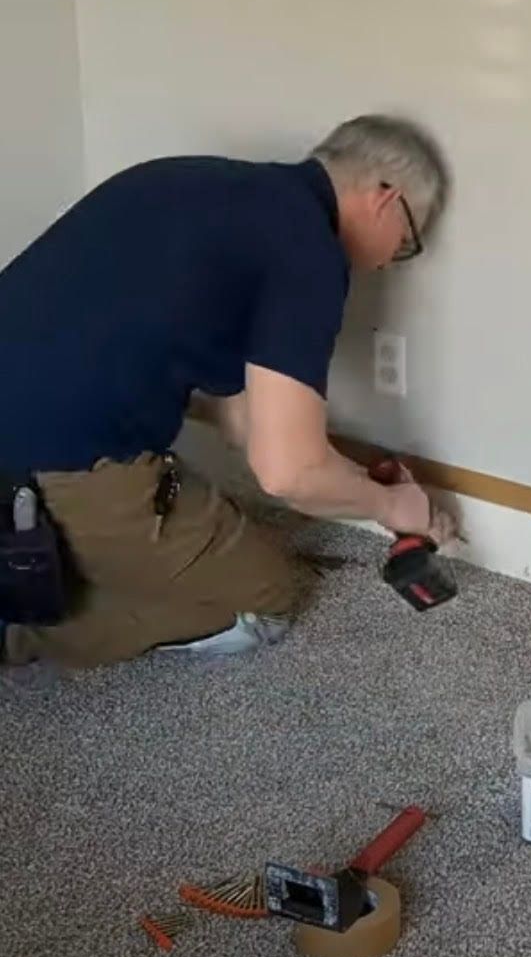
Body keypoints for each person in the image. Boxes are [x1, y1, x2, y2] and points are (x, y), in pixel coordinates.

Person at [0, 114, 454, 669]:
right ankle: (19, 631)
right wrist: (392, 504)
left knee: (220, 524)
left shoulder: (196, 184)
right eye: (404, 243)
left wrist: (355, 484)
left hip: (25, 430)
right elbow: (286, 473)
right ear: (386, 197)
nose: (386, 262)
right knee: (266, 594)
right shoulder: (308, 249)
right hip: (52, 470)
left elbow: (247, 426)